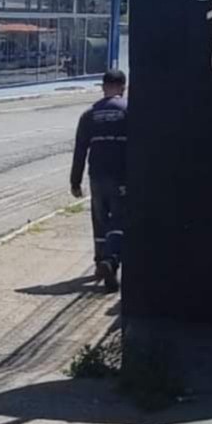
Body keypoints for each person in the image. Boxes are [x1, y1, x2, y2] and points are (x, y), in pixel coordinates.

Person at [70, 68, 128, 291]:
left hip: (96, 176)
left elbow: (80, 151)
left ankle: (99, 263)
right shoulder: (129, 111)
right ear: (123, 87)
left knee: (99, 220)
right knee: (120, 220)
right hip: (122, 176)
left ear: (104, 87)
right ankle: (111, 261)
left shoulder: (88, 115)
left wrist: (75, 182)